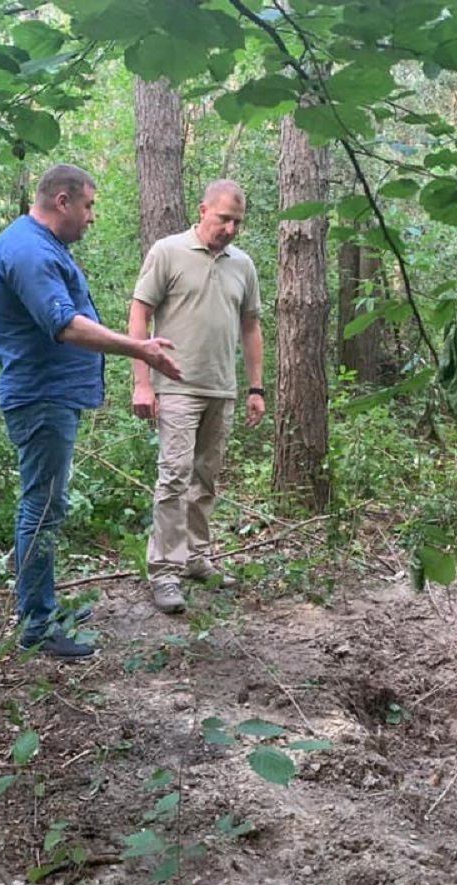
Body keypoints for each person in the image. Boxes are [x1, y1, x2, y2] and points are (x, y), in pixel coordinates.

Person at [0, 164, 183, 659]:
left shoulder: (44, 247)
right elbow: (64, 325)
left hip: (52, 395)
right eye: (89, 205)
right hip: (40, 397)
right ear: (62, 202)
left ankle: (44, 605)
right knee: (42, 506)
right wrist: (140, 349)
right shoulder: (29, 250)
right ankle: (35, 626)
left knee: (49, 504)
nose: (92, 217)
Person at [128, 179, 265, 614]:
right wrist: (143, 381)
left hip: (220, 387)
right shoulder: (167, 251)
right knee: (173, 476)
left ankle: (195, 557)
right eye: (224, 218)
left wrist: (255, 388)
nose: (230, 228)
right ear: (203, 210)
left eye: (238, 222)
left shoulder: (242, 265)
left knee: (205, 477)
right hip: (176, 386)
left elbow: (251, 326)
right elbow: (140, 312)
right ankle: (164, 571)